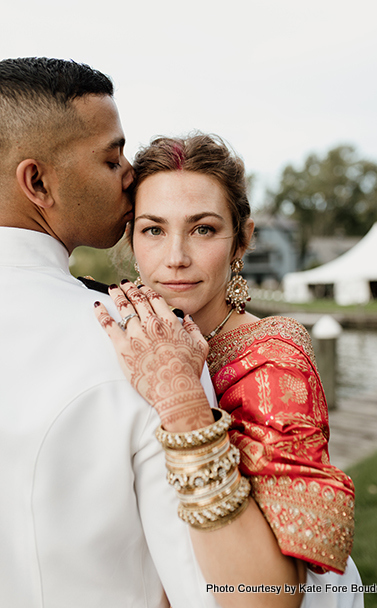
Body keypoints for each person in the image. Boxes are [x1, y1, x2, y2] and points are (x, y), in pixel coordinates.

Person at [95, 134, 364, 608]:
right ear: (130, 236)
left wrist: (184, 402)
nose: (175, 256)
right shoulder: (117, 330)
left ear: (242, 238)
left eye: (202, 229)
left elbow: (271, 595)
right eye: (154, 229)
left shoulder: (273, 357)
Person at [0, 58, 220, 608]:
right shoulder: (140, 343)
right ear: (38, 182)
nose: (130, 173)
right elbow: (218, 592)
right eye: (111, 156)